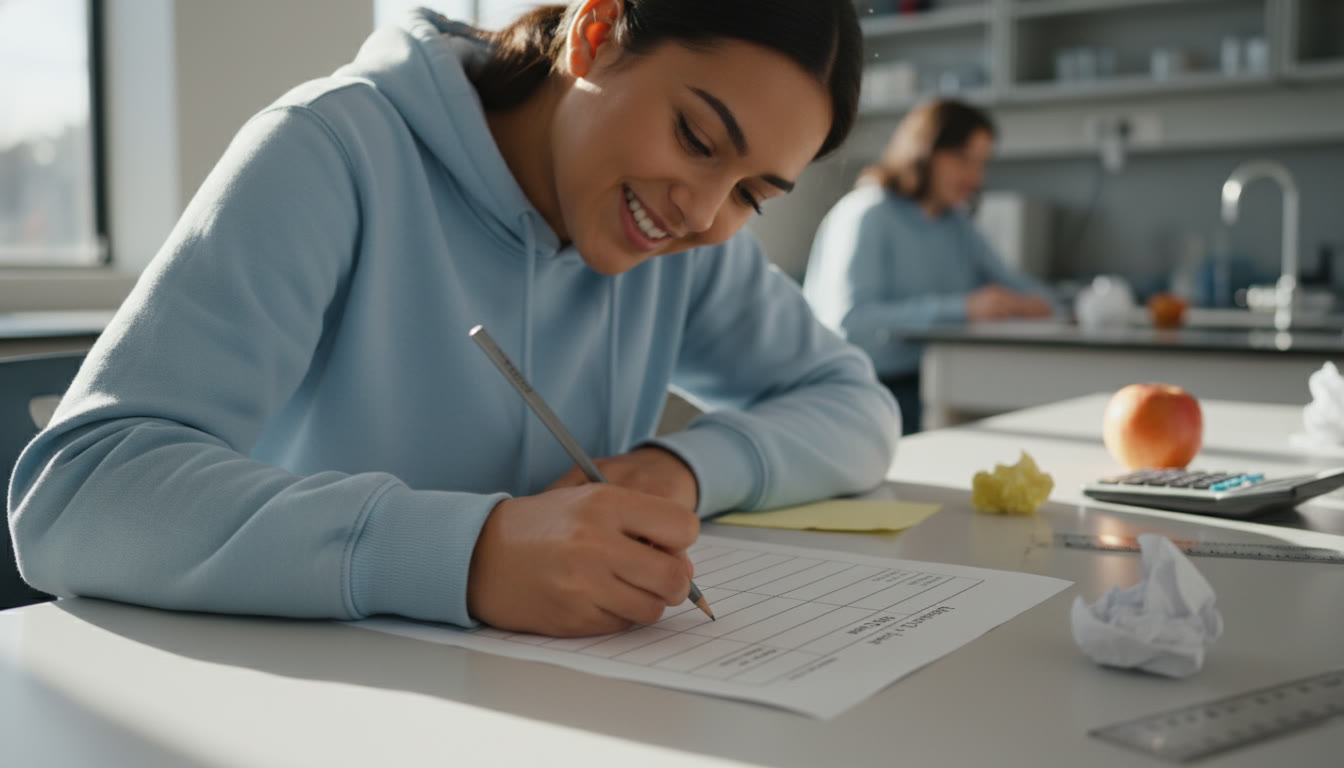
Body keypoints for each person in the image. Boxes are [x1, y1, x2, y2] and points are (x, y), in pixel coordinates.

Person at [8, 1, 898, 638]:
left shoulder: (680, 236)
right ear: (594, 34)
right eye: (698, 140)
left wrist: (679, 469)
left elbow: (857, 406)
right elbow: (76, 497)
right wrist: (470, 555)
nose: (704, 213)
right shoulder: (332, 153)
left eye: (753, 193)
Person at [803, 99, 1054, 434]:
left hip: (933, 379)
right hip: (863, 390)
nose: (974, 177)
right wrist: (963, 309)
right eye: (963, 160)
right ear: (925, 151)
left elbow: (1023, 289)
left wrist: (1036, 303)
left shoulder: (956, 224)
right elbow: (852, 324)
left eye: (981, 164)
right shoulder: (868, 213)